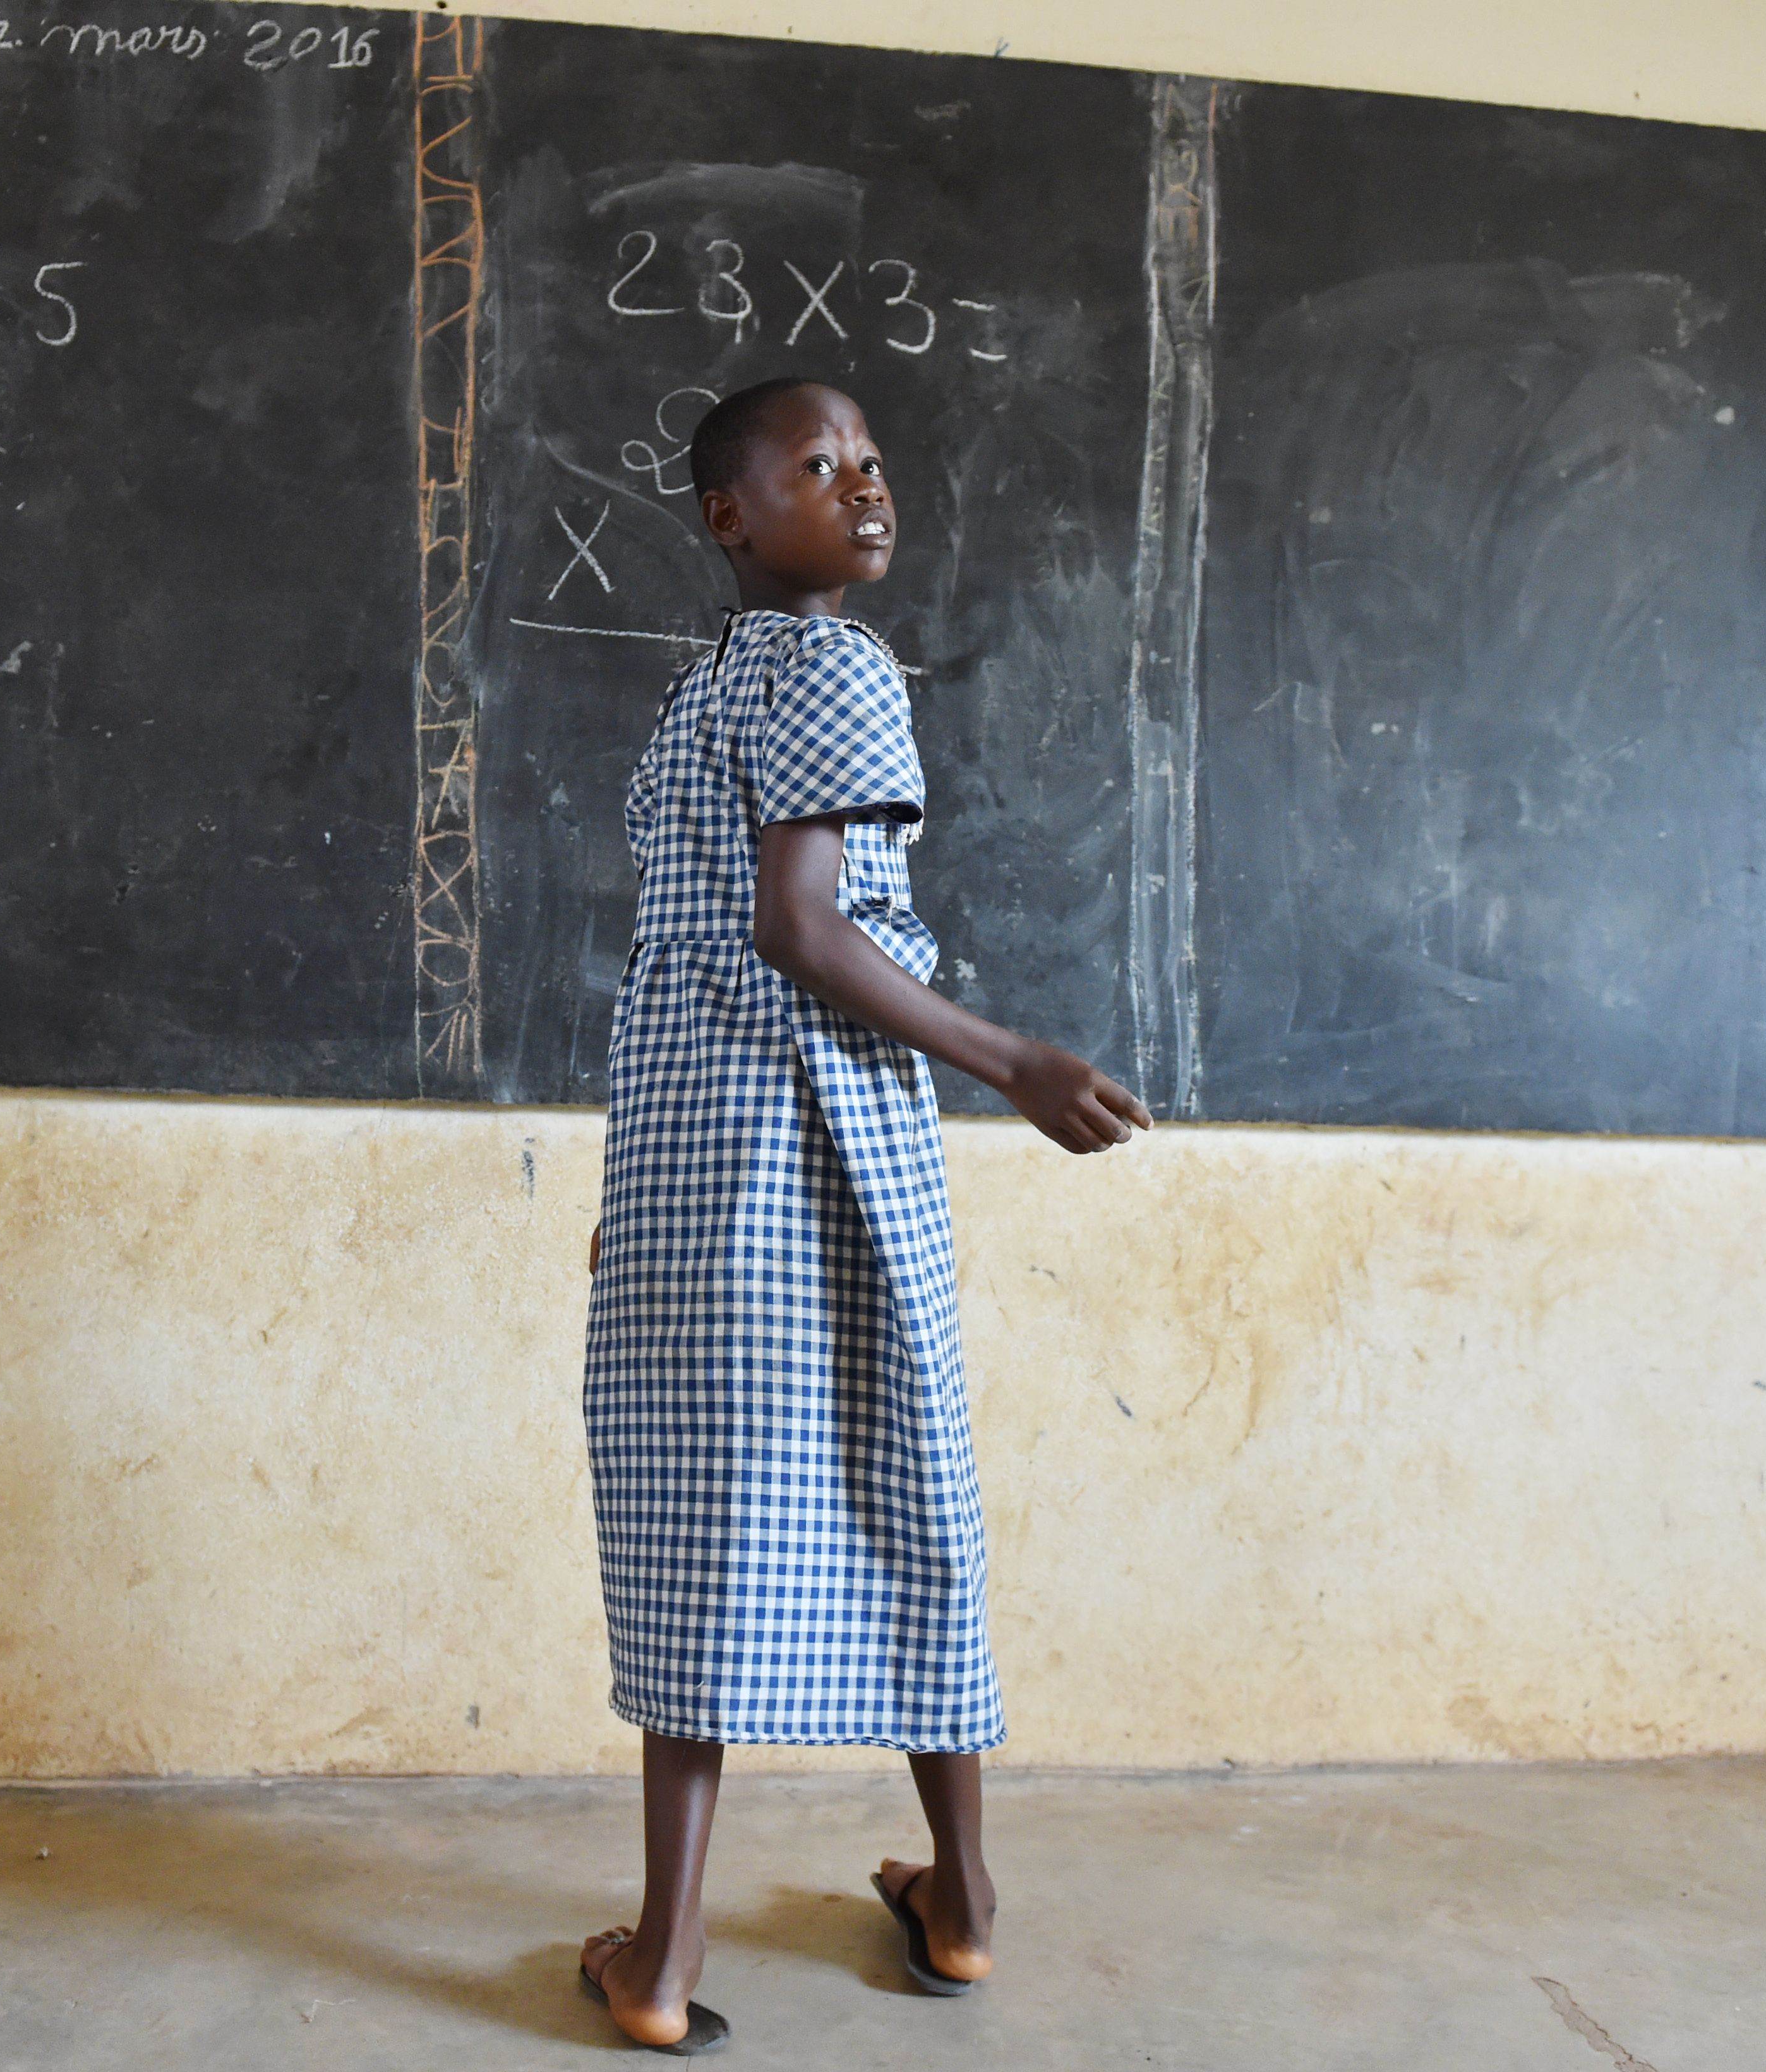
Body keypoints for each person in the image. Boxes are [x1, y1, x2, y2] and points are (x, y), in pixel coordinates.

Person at [576, 377, 1153, 2052]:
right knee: (911, 1497)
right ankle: (960, 1906)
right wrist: (1014, 1060)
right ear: (730, 516)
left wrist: (637, 1195)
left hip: (697, 1152)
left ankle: (662, 1961)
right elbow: (802, 927)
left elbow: (688, 954)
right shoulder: (838, 668)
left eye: (873, 463)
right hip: (819, 1143)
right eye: (818, 467)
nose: (865, 487)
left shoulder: (709, 687)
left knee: (697, 1520)